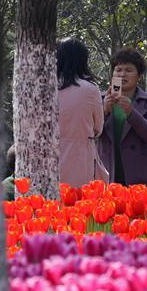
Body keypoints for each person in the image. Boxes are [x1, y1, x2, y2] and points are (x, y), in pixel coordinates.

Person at [98, 47, 147, 193]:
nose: (122, 74)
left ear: (139, 76)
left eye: (129, 70)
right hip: (107, 174)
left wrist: (131, 113)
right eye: (118, 70)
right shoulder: (100, 100)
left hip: (138, 177)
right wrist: (104, 111)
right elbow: (88, 133)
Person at [57, 37, 107, 187]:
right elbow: (98, 128)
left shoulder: (45, 87)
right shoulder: (90, 89)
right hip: (80, 156)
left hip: (49, 156)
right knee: (78, 203)